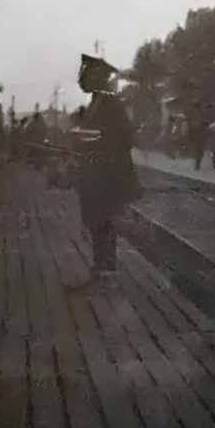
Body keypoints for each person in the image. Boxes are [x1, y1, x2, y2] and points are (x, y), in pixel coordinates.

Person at [73, 54, 140, 286]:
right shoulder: (96, 102)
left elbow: (125, 137)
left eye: (88, 73)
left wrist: (96, 142)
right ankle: (99, 271)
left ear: (98, 77)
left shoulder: (111, 104)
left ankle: (105, 275)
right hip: (95, 175)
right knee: (96, 222)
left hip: (108, 176)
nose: (82, 77)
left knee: (104, 224)